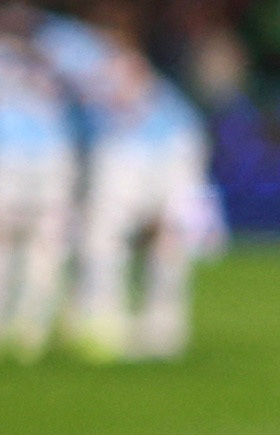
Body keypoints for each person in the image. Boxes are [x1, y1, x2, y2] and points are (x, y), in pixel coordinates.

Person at [66, 22, 211, 362]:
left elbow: (121, 100)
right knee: (158, 237)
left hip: (146, 154)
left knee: (114, 237)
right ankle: (152, 324)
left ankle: (109, 320)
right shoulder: (143, 81)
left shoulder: (110, 69)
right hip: (170, 149)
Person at [0, 15, 78, 360]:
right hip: (4, 154)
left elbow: (92, 83)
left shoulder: (65, 42)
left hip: (51, 155)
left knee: (46, 241)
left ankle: (32, 325)